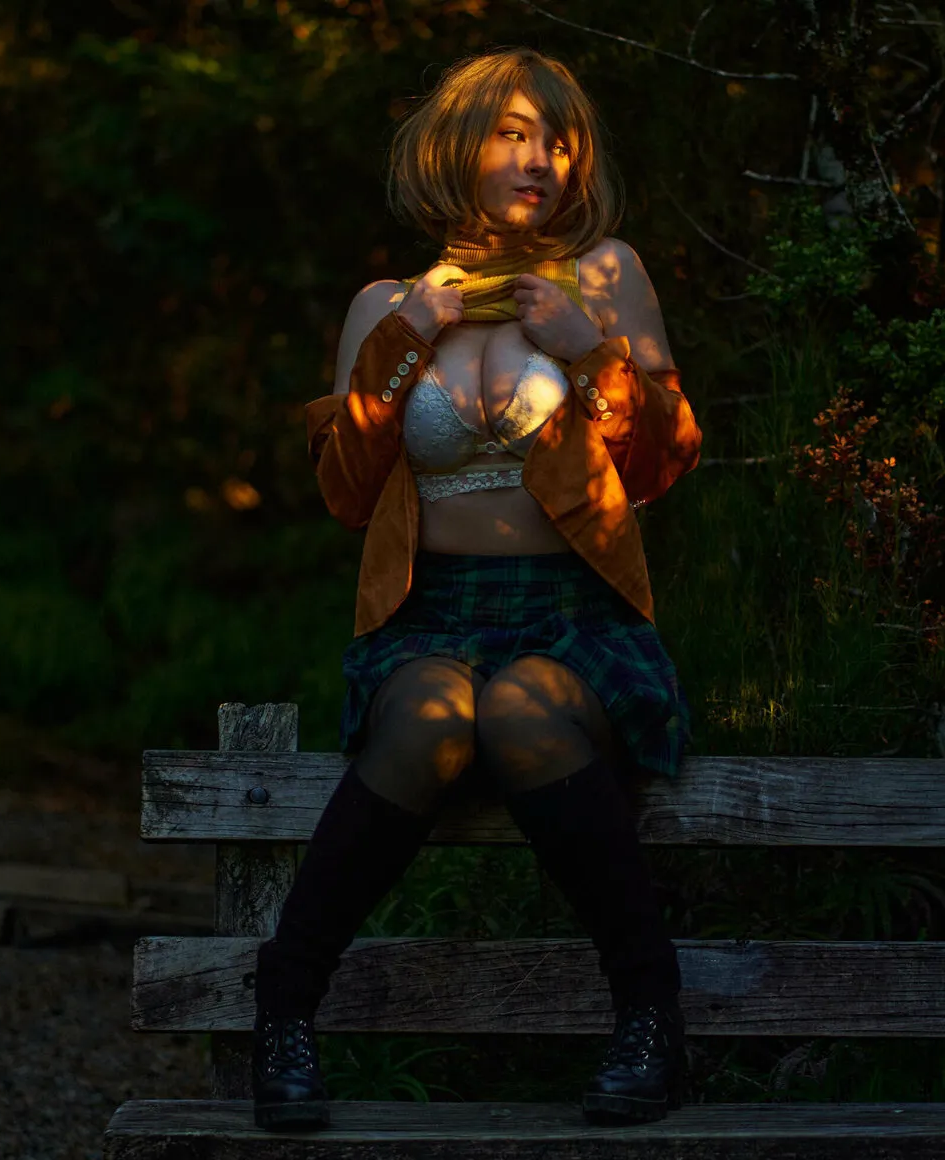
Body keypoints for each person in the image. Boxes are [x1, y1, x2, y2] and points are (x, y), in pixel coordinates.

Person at [250, 46, 704, 1132]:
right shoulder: (388, 305)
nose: (541, 160)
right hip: (430, 615)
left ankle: (650, 1015)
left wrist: (590, 351)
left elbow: (663, 464)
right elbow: (347, 493)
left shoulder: (606, 276)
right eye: (513, 134)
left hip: (577, 615)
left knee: (521, 709)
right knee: (429, 718)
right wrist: (407, 338)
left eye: (559, 141)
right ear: (460, 147)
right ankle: (285, 1008)